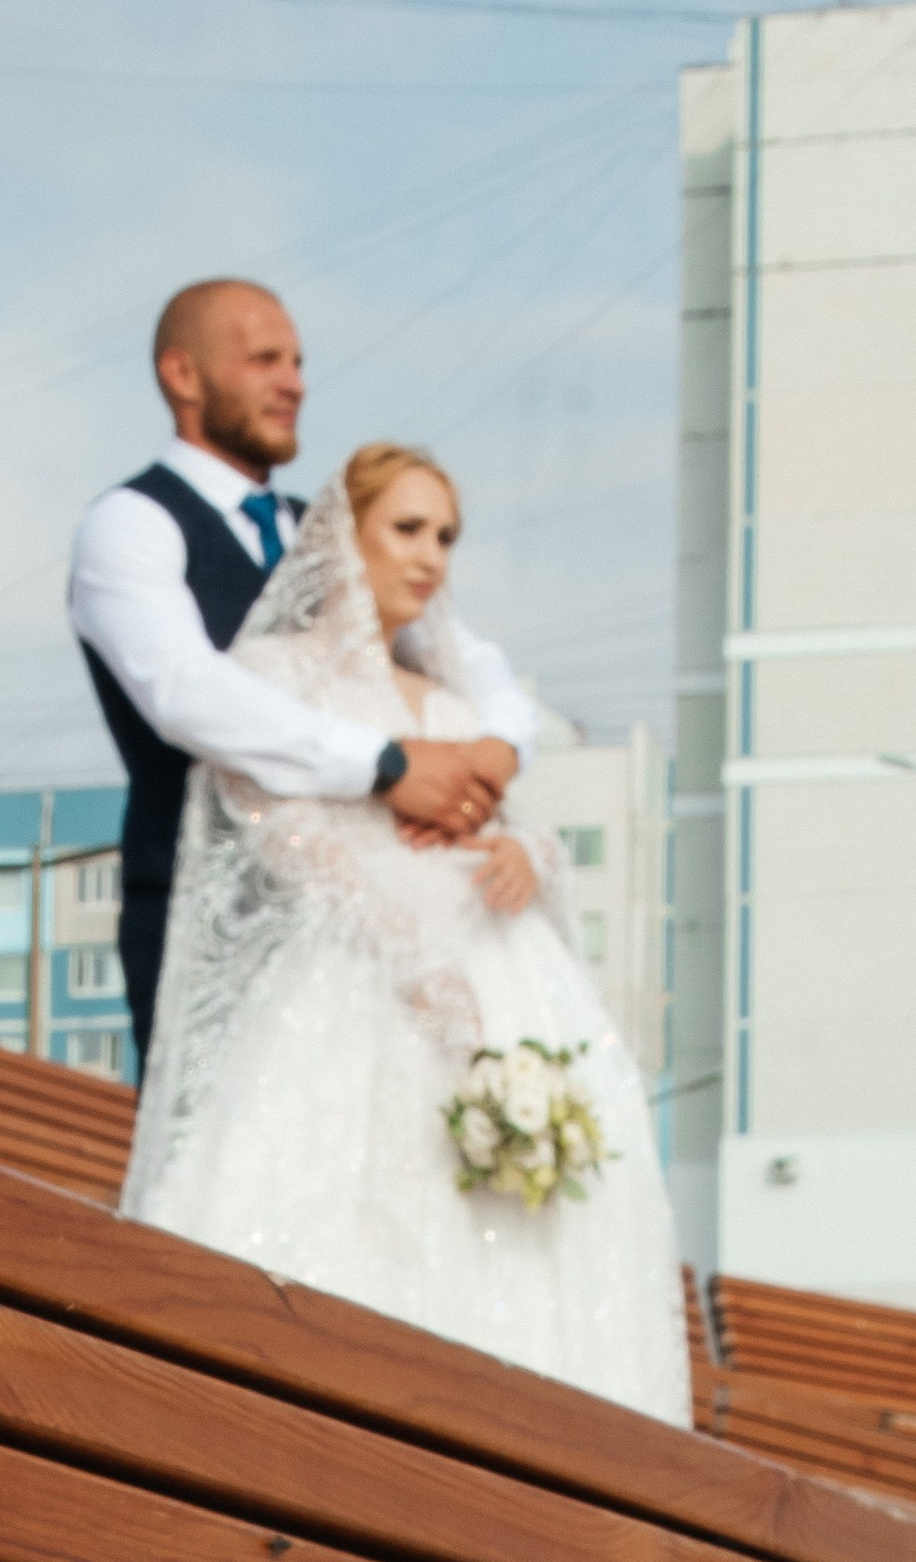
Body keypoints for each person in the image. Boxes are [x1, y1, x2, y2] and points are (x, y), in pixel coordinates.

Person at [119, 444, 692, 1426]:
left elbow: (508, 825)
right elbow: (282, 829)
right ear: (344, 534)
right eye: (407, 529)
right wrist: (408, 957)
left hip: (501, 978)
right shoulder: (274, 675)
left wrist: (528, 855)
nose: (430, 557)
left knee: (523, 1260)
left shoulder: (456, 707)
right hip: (352, 984)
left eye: (446, 538)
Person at [69, 278, 534, 1066]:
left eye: (298, 362)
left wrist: (500, 747)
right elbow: (185, 692)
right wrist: (386, 764)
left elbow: (466, 654)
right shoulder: (132, 524)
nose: (294, 383)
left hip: (362, 934)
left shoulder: (321, 533)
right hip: (206, 918)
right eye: (264, 361)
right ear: (182, 375)